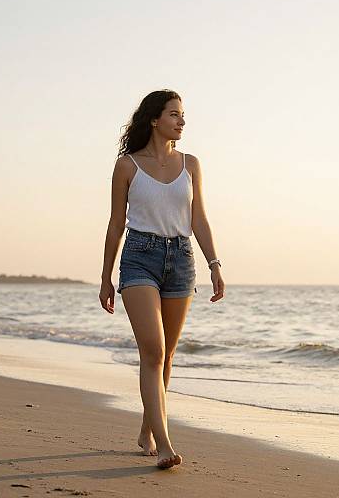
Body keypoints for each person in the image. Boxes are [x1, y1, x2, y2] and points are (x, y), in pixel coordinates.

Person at [99, 89, 225, 469]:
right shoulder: (127, 166)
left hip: (181, 259)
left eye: (183, 115)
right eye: (175, 114)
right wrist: (105, 277)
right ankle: (166, 441)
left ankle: (146, 428)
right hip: (139, 258)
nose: (182, 121)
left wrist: (214, 264)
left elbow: (199, 218)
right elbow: (116, 224)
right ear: (155, 119)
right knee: (152, 351)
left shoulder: (191, 164)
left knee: (167, 354)